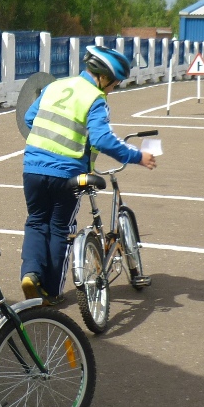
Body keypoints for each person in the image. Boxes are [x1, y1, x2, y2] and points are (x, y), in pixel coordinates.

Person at [20, 46, 156, 306]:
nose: (114, 88)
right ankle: (51, 292)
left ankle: (30, 274)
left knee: (36, 222)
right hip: (67, 174)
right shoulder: (95, 99)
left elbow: (29, 118)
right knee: (60, 228)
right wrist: (137, 156)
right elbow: (102, 139)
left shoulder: (55, 86)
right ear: (103, 77)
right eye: (115, 83)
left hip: (33, 168)